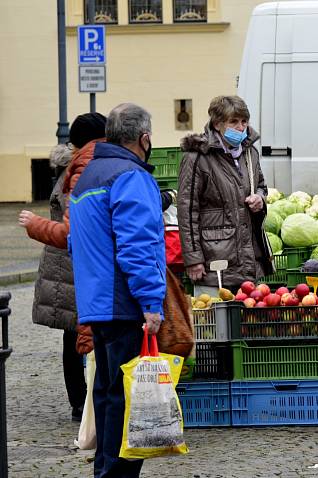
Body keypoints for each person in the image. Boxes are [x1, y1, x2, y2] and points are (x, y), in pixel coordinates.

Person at [69, 103, 166, 478]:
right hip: (124, 302)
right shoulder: (131, 176)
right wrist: (151, 302)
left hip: (97, 303)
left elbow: (78, 243)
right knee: (128, 402)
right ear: (144, 138)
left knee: (109, 396)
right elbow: (137, 245)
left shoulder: (89, 174)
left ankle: (104, 471)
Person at [17, 113, 106, 421]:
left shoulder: (75, 168)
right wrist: (36, 225)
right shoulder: (82, 171)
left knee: (75, 332)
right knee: (76, 332)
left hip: (66, 260)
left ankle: (81, 401)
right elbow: (73, 227)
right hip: (71, 262)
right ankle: (81, 402)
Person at [178, 95, 271, 291]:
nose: (240, 127)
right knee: (216, 318)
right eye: (234, 121)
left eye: (244, 121)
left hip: (247, 256)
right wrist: (193, 258)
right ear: (217, 123)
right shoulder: (197, 156)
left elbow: (261, 185)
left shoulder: (249, 153)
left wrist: (260, 198)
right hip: (214, 258)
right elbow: (187, 210)